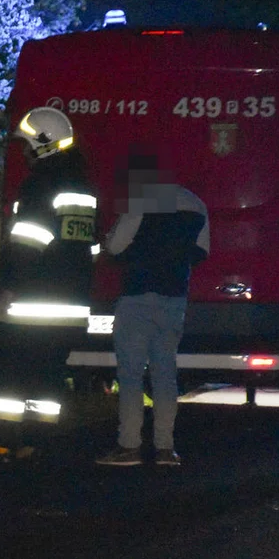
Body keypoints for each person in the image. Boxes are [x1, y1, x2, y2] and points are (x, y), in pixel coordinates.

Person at [0, 107, 98, 456]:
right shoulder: (82, 188)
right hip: (69, 309)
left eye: (28, 145)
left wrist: (10, 284)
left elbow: (27, 243)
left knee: (7, 375)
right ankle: (36, 444)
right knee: (48, 377)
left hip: (31, 307)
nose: (24, 153)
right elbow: (90, 249)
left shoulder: (42, 185)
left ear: (44, 145)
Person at [95, 151, 209, 467]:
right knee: (164, 375)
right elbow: (201, 252)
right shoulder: (195, 204)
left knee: (131, 376)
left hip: (137, 298)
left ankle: (129, 447)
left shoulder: (142, 201)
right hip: (174, 299)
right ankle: (165, 449)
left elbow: (115, 246)